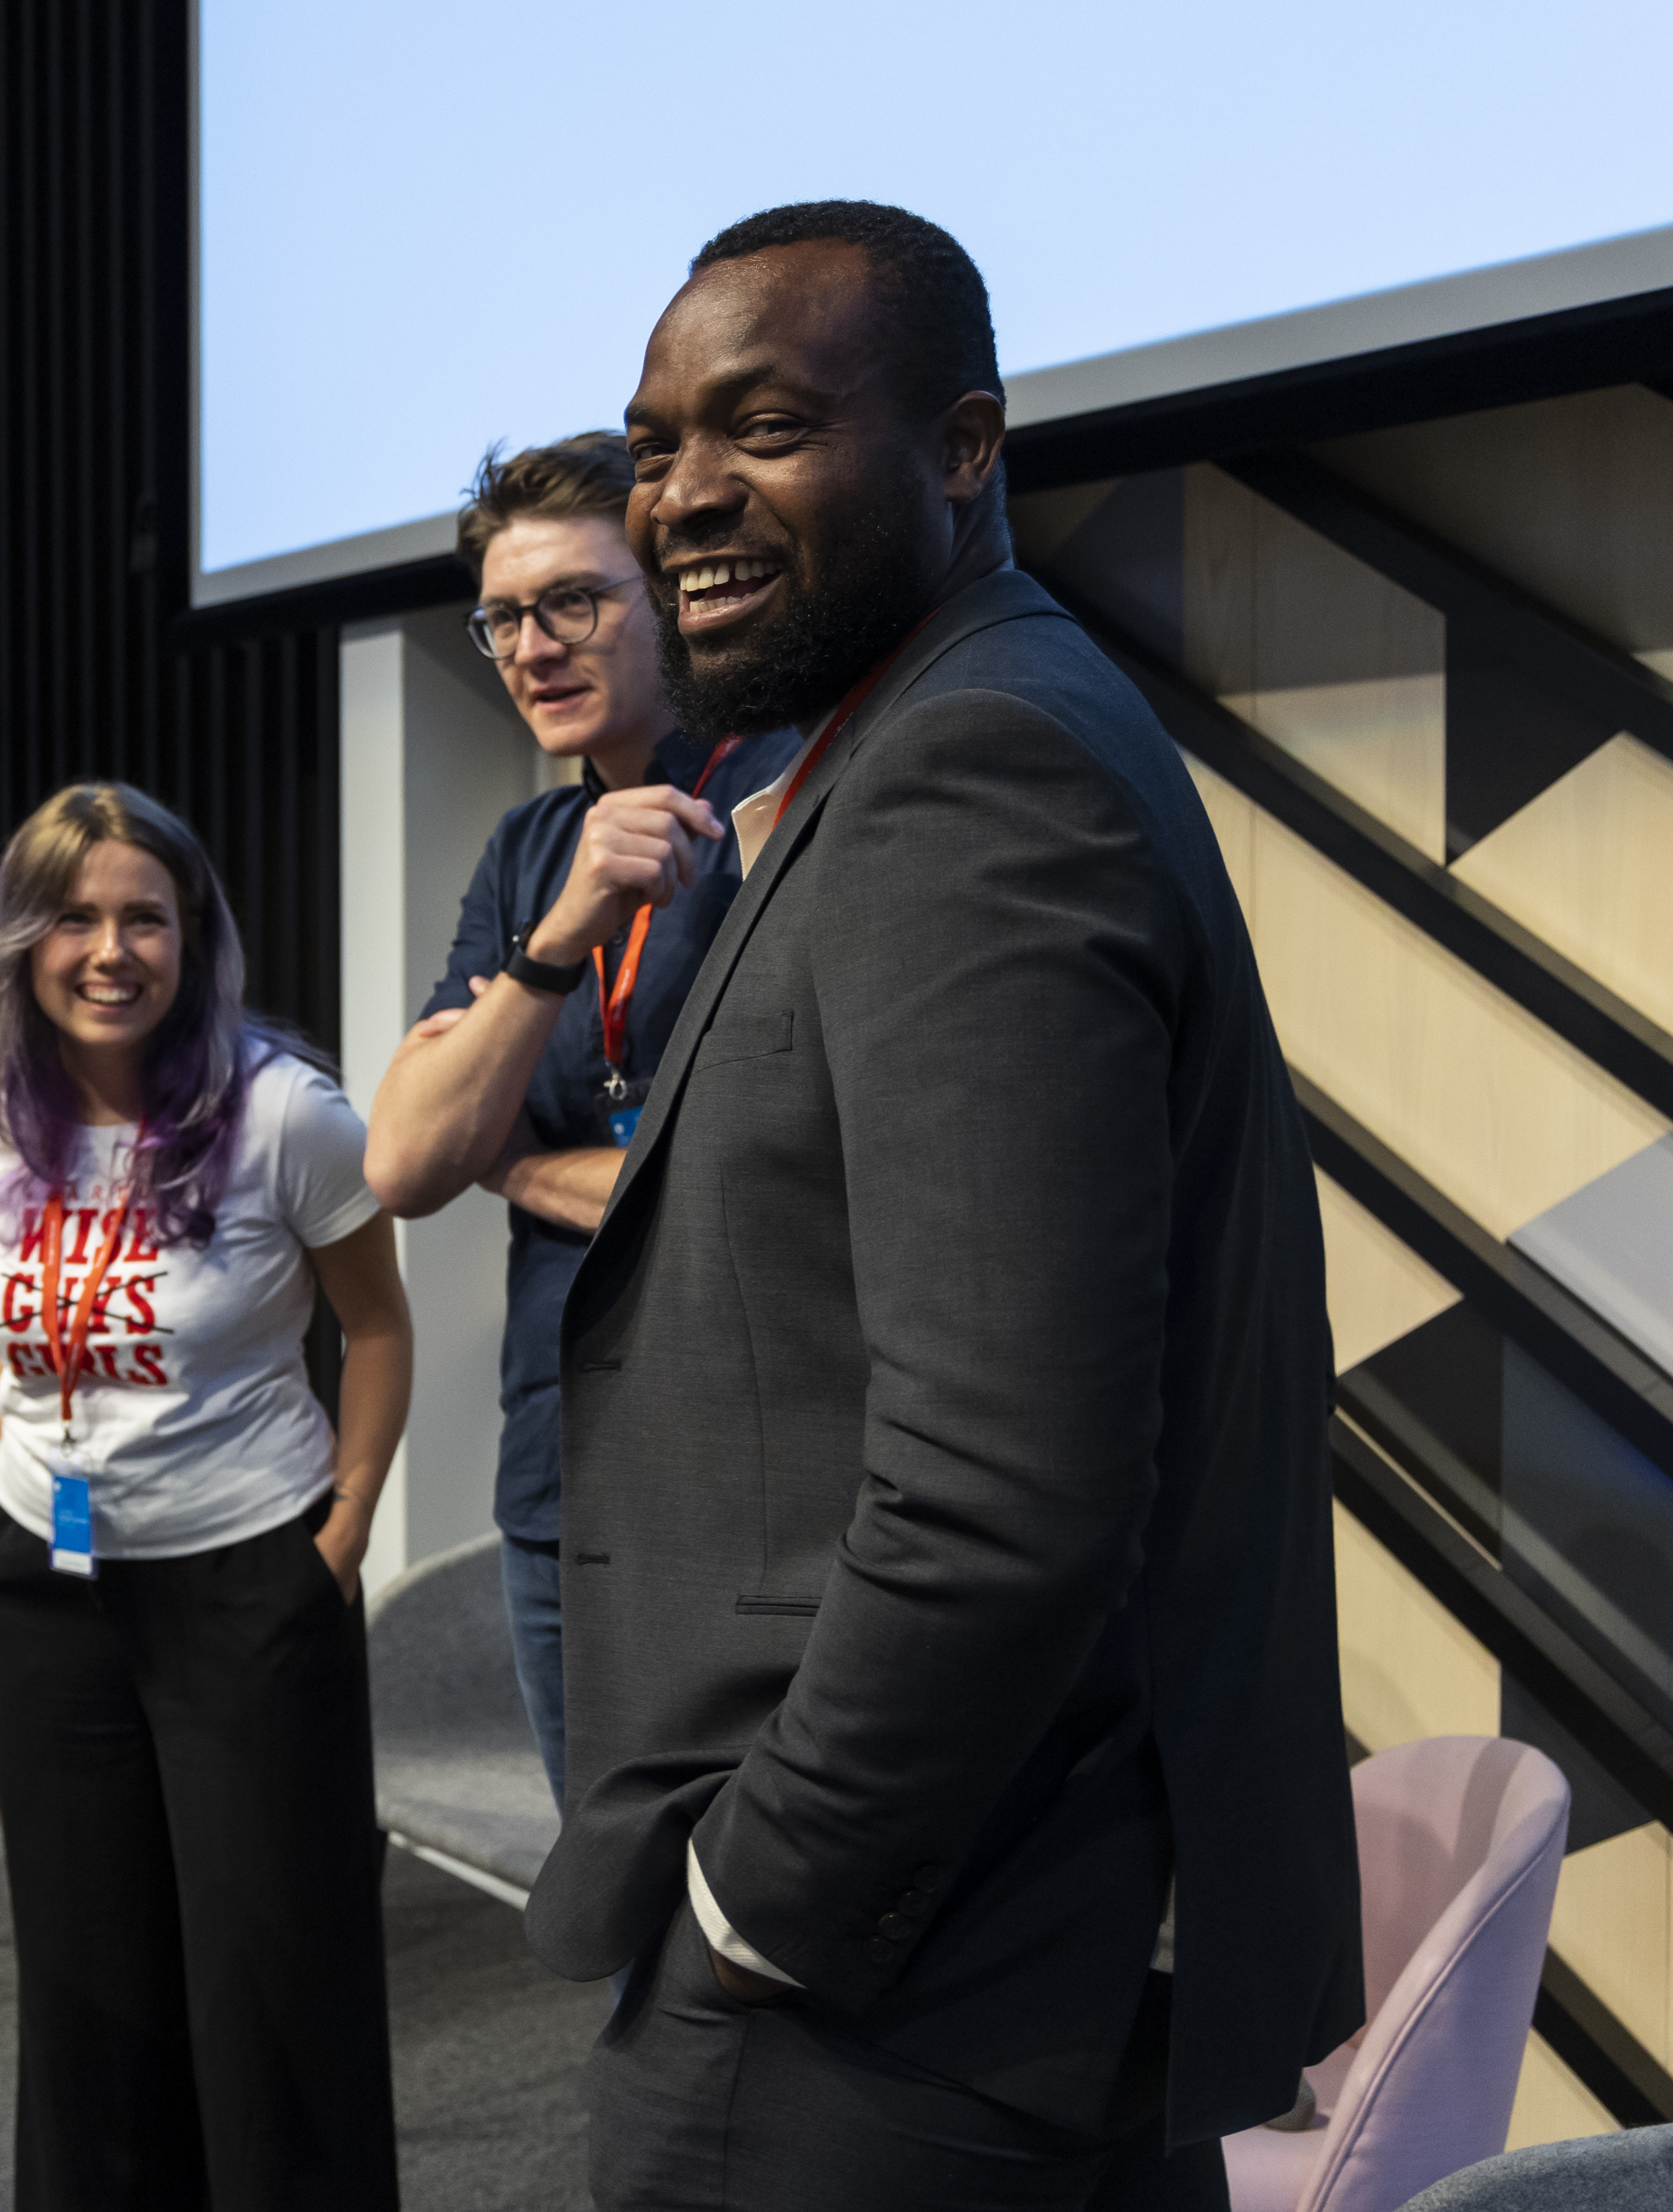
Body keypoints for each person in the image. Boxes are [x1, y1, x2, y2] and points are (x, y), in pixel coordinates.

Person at [523, 203, 1365, 2209]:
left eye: (764, 425)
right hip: (987, 1969)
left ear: (965, 449)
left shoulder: (969, 766)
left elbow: (999, 1493)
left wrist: (764, 1899)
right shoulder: (954, 725)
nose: (684, 497)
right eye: (653, 443)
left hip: (895, 1993)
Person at [0, 783, 408, 2211]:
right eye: (73, 916)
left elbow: (375, 1328)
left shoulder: (284, 1115)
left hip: (247, 1582)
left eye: (146, 915)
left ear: (195, 936)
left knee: (272, 1974)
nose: (109, 949)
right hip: (53, 1582)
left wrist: (344, 1529)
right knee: (88, 1978)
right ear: (22, 940)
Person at [363, 434, 798, 1807]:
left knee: (760, 1941)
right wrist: (561, 936)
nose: (530, 647)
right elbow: (408, 1159)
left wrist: (520, 1155)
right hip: (560, 1483)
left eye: (574, 602)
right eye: (502, 617)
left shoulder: (786, 801)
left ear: (668, 592)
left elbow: (776, 1183)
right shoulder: (529, 854)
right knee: (613, 1922)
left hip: (760, 1485)